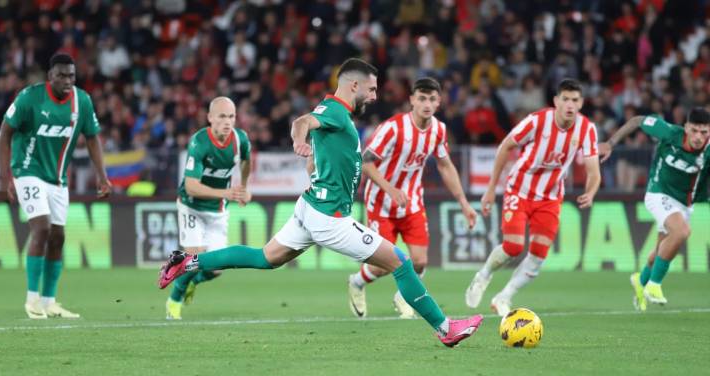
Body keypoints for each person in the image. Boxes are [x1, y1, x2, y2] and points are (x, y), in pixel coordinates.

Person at [158, 58, 483, 347]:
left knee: (265, 257)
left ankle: (186, 263)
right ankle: (445, 328)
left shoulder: (337, 117)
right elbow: (303, 122)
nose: (374, 96)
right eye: (371, 89)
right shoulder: (335, 112)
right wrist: (299, 139)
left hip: (310, 207)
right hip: (330, 218)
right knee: (400, 261)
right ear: (353, 85)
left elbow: (318, 157)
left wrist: (313, 157)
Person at [465, 78, 601, 316]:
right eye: (566, 99)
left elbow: (593, 170)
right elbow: (505, 147)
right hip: (520, 188)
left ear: (581, 104)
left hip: (550, 197)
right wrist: (490, 188)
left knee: (538, 255)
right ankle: (483, 275)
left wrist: (590, 191)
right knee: (513, 246)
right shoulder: (537, 121)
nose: (570, 105)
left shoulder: (586, 129)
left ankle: (503, 297)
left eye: (575, 100)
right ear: (556, 101)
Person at [347, 77, 477, 319]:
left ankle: (402, 295)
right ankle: (356, 282)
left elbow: (445, 166)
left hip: (412, 203)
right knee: (381, 265)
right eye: (421, 98)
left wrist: (464, 204)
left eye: (431, 99)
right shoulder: (393, 128)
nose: (426, 104)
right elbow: (365, 162)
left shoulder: (439, 130)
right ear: (412, 101)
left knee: (419, 261)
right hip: (381, 203)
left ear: (439, 102)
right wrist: (390, 189)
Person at [0, 53, 111, 319]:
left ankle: (49, 302)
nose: (67, 80)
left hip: (58, 180)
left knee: (58, 238)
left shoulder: (82, 102)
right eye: (61, 75)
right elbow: (5, 133)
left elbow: (92, 138)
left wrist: (102, 176)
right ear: (50, 77)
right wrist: (5, 177)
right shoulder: (30, 98)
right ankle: (32, 300)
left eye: (71, 75)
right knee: (42, 229)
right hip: (28, 172)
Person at [599, 108, 710, 311]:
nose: (698, 137)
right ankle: (654, 285)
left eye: (704, 132)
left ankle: (640, 282)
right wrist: (610, 144)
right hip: (657, 192)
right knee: (682, 231)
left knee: (660, 251)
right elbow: (637, 120)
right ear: (686, 127)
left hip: (683, 203)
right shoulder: (669, 132)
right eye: (694, 130)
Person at [165, 97, 252, 320]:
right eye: (222, 116)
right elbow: (192, 187)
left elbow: (246, 161)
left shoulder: (240, 140)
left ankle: (193, 282)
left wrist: (243, 187)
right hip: (191, 207)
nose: (227, 121)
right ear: (210, 118)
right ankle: (174, 300)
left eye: (231, 116)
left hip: (217, 211)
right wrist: (227, 192)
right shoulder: (199, 142)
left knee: (216, 269)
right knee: (194, 259)